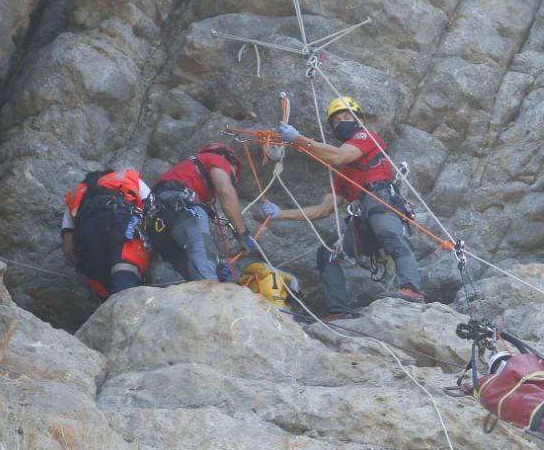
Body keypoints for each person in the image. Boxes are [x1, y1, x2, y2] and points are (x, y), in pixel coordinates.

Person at [262, 96, 425, 321]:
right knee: (328, 254)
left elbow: (338, 155)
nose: (342, 122)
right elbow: (323, 210)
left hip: (380, 200)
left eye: (347, 117)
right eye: (337, 121)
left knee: (391, 236)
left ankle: (411, 289)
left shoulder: (366, 137)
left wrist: (298, 139)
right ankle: (338, 310)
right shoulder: (343, 175)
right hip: (363, 220)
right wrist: (280, 213)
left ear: (359, 120)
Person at [149, 143, 256, 282]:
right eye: (232, 176)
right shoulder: (216, 159)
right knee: (203, 252)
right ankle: (210, 294)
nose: (231, 179)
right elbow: (225, 192)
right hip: (180, 205)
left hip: (157, 218)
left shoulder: (188, 173)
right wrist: (243, 234)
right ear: (225, 156)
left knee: (187, 269)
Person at [61, 168, 151, 298]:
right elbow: (155, 213)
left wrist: (85, 266)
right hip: (121, 226)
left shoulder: (76, 193)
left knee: (107, 290)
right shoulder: (129, 179)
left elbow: (68, 248)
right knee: (125, 281)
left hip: (88, 238)